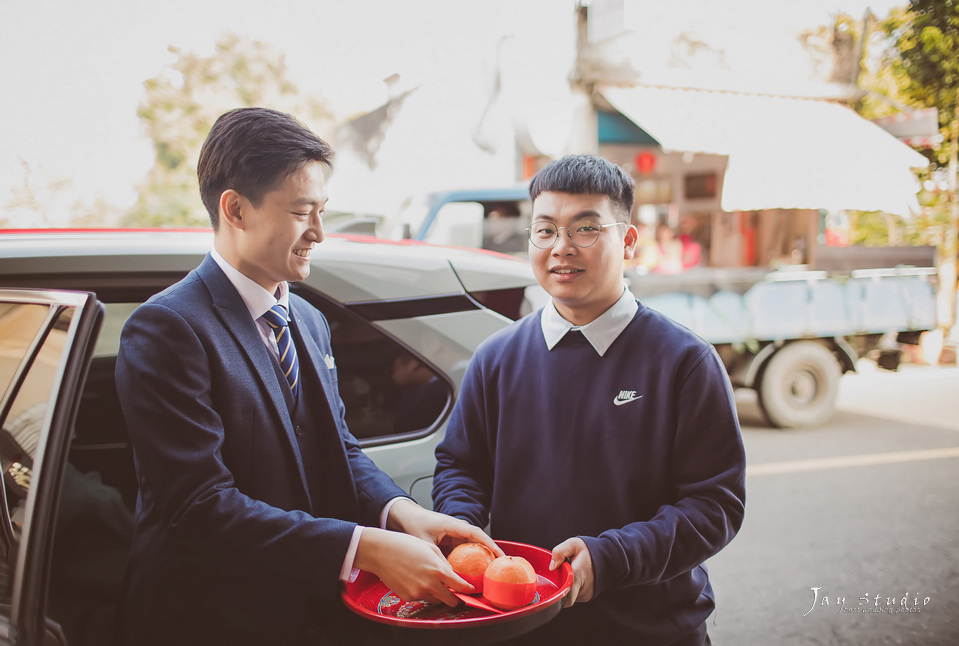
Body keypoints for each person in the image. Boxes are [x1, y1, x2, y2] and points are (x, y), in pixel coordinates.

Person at [114, 107, 500, 646]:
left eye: (322, 210)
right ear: (236, 209)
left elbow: (336, 448)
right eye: (302, 212)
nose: (319, 232)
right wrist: (364, 548)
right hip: (208, 619)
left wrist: (405, 514)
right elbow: (198, 506)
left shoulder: (310, 321)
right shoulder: (168, 329)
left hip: (305, 614)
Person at [433, 154, 746, 645]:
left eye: (585, 229)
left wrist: (611, 557)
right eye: (545, 230)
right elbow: (460, 465)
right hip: (521, 623)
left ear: (627, 240)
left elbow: (714, 505)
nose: (561, 248)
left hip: (650, 629)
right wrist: (462, 528)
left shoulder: (684, 361)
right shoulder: (496, 357)